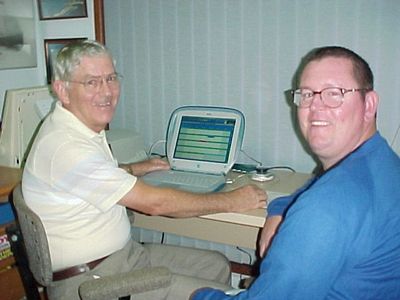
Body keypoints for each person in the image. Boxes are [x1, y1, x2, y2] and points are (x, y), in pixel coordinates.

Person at [21, 40, 267, 300]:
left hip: (121, 257)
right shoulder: (66, 147)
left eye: (111, 78)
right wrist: (233, 200)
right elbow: (155, 204)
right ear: (63, 90)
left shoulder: (76, 128)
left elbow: (94, 177)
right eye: (92, 82)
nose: (106, 92)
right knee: (223, 296)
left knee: (215, 265)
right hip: (94, 283)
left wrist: (135, 167)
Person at [191, 46, 400, 299]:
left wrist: (199, 295)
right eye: (307, 94)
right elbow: (319, 185)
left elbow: (326, 202)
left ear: (369, 104)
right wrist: (280, 208)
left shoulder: (327, 205)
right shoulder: (380, 162)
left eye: (334, 94)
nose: (315, 107)